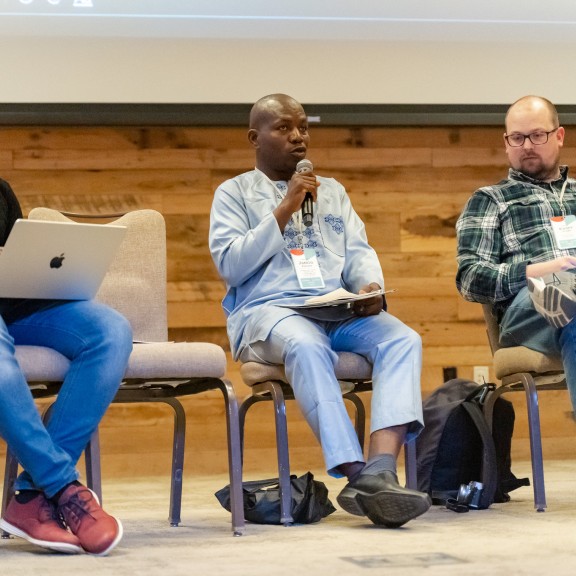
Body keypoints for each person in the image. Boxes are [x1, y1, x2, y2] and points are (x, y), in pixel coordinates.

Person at [209, 93, 431, 528]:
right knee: (305, 344)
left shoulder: (332, 191)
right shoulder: (233, 193)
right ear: (255, 138)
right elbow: (231, 265)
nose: (298, 137)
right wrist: (286, 205)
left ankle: (381, 468)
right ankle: (357, 473)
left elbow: (359, 252)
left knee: (403, 339)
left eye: (303, 127)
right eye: (284, 128)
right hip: (268, 312)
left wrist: (370, 287)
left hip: (336, 310)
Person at [0, 179, 133, 555]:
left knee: (110, 330)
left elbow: (19, 264)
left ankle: (29, 498)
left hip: (20, 309)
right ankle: (62, 487)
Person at [456, 95, 576, 411]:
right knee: (566, 292)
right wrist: (532, 270)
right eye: (517, 138)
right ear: (506, 142)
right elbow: (469, 279)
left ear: (559, 136)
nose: (526, 146)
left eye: (537, 135)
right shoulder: (490, 200)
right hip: (528, 310)